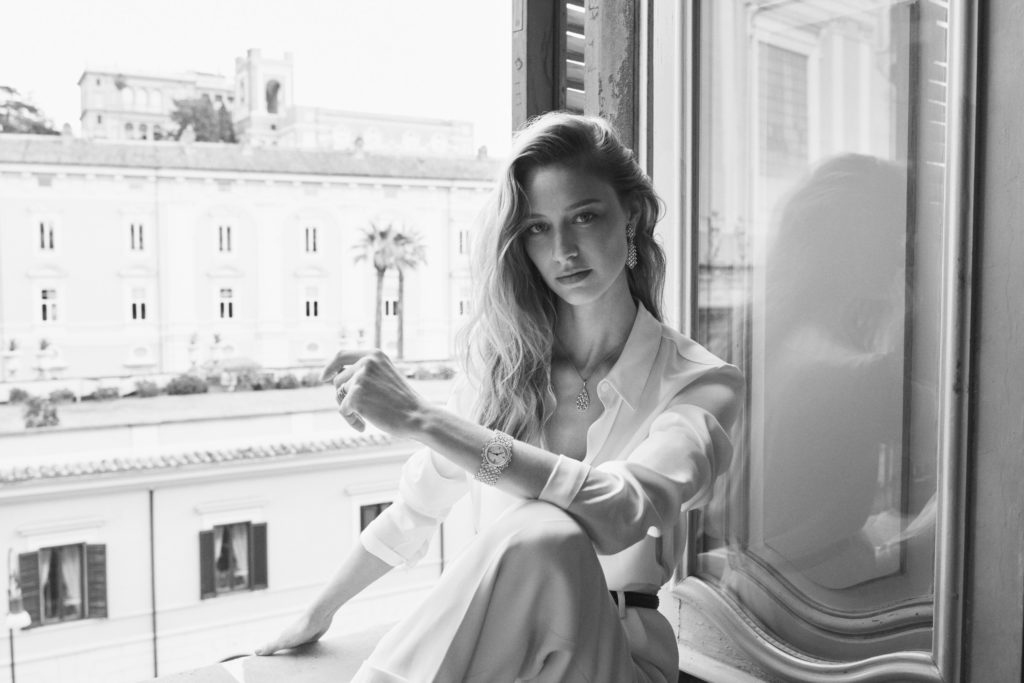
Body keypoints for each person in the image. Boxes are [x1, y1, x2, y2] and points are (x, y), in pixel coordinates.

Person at [255, 112, 744, 682]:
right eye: (538, 228)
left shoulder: (700, 383)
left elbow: (621, 512)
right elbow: (415, 511)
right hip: (507, 662)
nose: (563, 250)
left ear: (631, 215)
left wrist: (420, 418)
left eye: (585, 216)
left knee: (548, 532)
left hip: (615, 662)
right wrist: (318, 613)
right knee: (539, 532)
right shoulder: (504, 371)